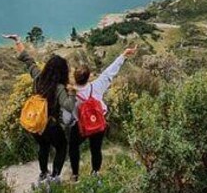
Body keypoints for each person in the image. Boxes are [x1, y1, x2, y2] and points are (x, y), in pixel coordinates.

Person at [8, 34, 76, 184]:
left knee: (43, 146)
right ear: (62, 72)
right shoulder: (59, 88)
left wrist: (18, 41)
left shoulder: (38, 77)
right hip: (50, 125)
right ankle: (55, 177)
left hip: (35, 123)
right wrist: (71, 92)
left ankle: (43, 173)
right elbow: (68, 106)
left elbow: (28, 61)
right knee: (62, 146)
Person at [69, 46, 137, 181]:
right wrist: (123, 54)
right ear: (88, 77)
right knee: (96, 149)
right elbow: (109, 72)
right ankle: (95, 172)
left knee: (73, 147)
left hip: (80, 127)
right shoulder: (97, 85)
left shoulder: (71, 93)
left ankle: (75, 175)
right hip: (97, 123)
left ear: (74, 78)